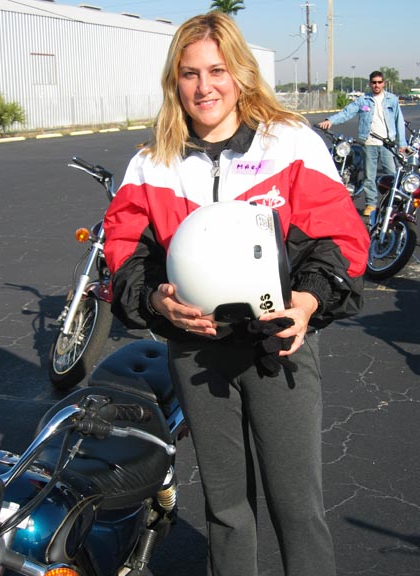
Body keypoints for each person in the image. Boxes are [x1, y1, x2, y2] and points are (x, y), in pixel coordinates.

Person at [104, 11, 370, 576]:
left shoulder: (291, 143)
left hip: (280, 347)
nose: (204, 87)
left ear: (240, 74)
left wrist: (307, 303)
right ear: (175, 81)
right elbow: (126, 254)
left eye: (217, 71)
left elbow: (341, 241)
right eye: (190, 73)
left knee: (297, 508)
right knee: (226, 511)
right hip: (196, 352)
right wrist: (155, 301)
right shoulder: (152, 162)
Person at [318, 70, 407, 217]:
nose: (376, 85)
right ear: (370, 84)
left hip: (387, 144)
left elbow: (399, 122)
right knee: (369, 177)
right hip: (369, 143)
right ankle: (371, 204)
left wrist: (402, 143)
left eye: (379, 82)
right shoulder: (363, 100)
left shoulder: (392, 99)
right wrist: (330, 121)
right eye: (374, 82)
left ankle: (391, 204)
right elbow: (347, 112)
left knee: (391, 175)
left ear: (383, 83)